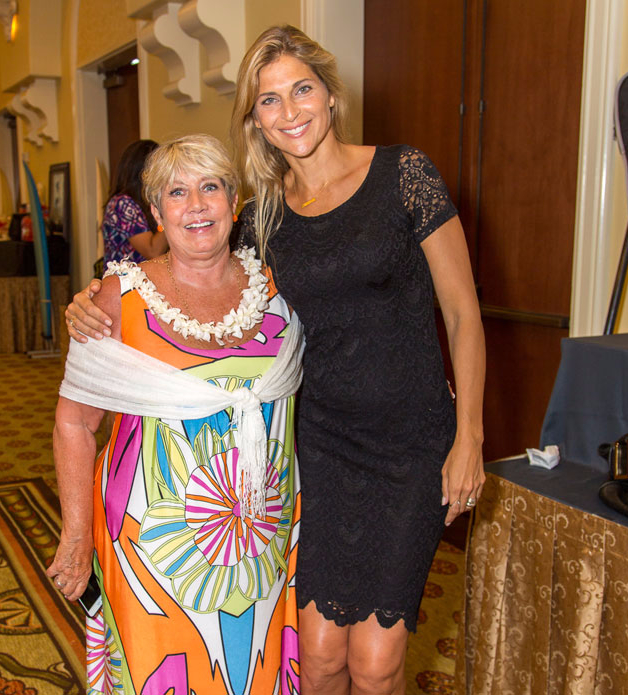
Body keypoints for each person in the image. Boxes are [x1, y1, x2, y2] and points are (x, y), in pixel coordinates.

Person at [65, 26, 486, 695]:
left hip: (410, 443)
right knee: (317, 657)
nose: (290, 111)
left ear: (330, 92)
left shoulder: (405, 173)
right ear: (254, 119)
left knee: (375, 662)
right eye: (269, 100)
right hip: (319, 445)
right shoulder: (266, 217)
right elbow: (194, 269)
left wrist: (470, 437)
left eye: (301, 90)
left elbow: (463, 313)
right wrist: (97, 297)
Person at [48, 134, 305, 695]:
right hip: (151, 553)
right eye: (177, 192)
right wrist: (74, 534)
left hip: (262, 542)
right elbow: (74, 422)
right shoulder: (119, 298)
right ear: (157, 212)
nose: (196, 206)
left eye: (210, 188)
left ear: (233, 203)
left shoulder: (277, 290)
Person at [101, 139, 167, 263]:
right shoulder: (123, 204)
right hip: (127, 279)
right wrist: (169, 217)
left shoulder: (140, 202)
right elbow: (153, 251)